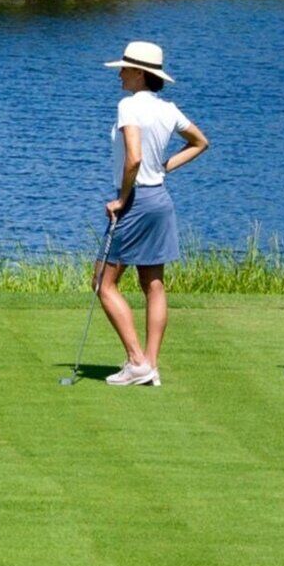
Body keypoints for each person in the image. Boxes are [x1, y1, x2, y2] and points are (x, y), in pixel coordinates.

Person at [95, 40, 207, 386]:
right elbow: (200, 142)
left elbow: (134, 158)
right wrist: (165, 168)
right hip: (159, 198)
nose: (120, 75)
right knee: (153, 284)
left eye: (125, 70)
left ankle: (136, 360)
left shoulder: (129, 106)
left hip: (137, 201)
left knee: (102, 282)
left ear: (140, 74)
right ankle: (150, 366)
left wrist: (122, 199)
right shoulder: (168, 108)